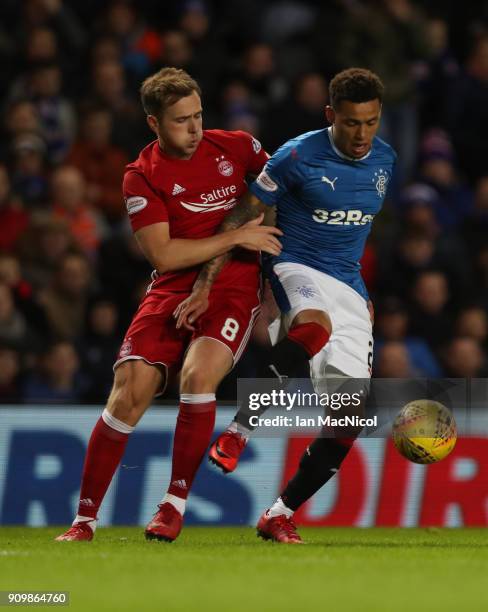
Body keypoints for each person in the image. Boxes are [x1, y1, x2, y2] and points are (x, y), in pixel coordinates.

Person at [55, 67, 281, 542]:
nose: (195, 128)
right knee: (129, 389)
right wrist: (240, 233)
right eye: (181, 120)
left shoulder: (238, 147)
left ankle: (173, 506)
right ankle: (84, 521)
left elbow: (278, 194)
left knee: (198, 377)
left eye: (198, 115)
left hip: (234, 286)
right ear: (154, 124)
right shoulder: (141, 177)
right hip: (172, 286)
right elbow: (164, 254)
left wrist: (276, 276)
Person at [175, 68, 396, 543]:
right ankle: (240, 429)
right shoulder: (297, 155)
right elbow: (242, 214)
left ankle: (278, 513)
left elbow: (356, 227)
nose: (362, 135)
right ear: (330, 115)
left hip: (350, 288)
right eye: (353, 123)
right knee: (313, 328)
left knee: (349, 419)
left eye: (371, 122)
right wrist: (206, 284)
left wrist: (360, 297)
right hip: (295, 265)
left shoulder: (385, 160)